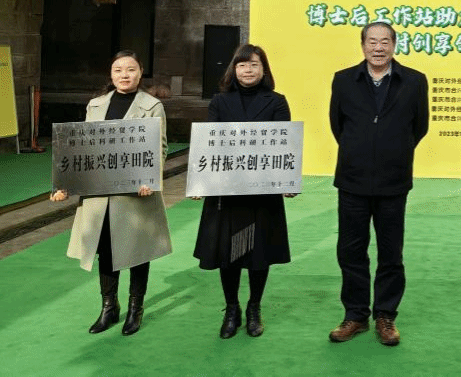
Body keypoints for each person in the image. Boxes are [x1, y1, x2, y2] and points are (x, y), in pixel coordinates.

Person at [50, 50, 172, 336]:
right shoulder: (95, 105)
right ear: (111, 74)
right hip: (99, 192)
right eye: (118, 70)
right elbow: (81, 149)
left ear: (140, 73)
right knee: (105, 249)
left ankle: (135, 308)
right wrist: (65, 183)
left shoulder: (152, 106)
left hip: (136, 193)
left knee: (138, 251)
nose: (124, 75)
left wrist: (149, 178)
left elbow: (160, 147)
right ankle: (109, 307)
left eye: (130, 69)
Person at [328, 21, 429, 345]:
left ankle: (385, 316)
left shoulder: (414, 81)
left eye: (385, 41)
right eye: (372, 41)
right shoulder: (344, 79)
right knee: (351, 251)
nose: (378, 47)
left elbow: (420, 126)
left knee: (390, 253)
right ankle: (355, 315)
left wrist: (393, 151)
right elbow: (338, 125)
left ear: (394, 45)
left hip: (392, 182)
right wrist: (360, 150)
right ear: (363, 45)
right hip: (353, 181)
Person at [193, 44, 294, 339]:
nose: (248, 70)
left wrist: (287, 181)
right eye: (242, 65)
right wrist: (200, 182)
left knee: (259, 251)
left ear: (264, 69)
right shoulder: (219, 102)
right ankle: (232, 308)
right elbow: (210, 144)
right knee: (228, 252)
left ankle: (254, 307)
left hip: (263, 191)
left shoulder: (277, 101)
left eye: (254, 65)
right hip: (227, 190)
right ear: (233, 69)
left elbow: (284, 144)